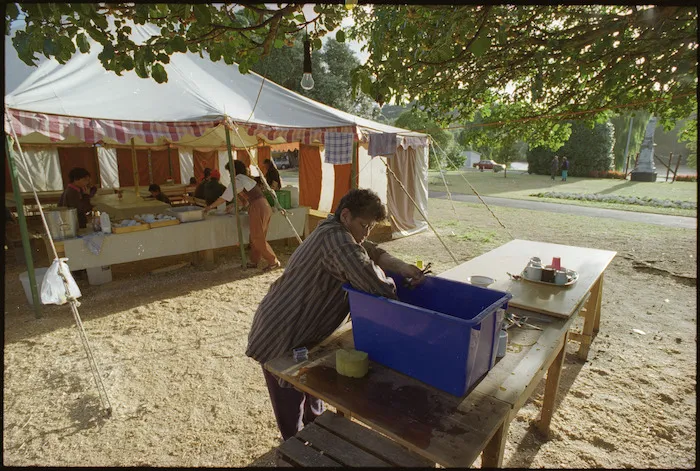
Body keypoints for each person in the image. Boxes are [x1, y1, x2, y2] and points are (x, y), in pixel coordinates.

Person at [245, 188, 425, 440]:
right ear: (346, 216)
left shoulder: (338, 228)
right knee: (290, 402)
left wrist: (400, 266)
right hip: (283, 329)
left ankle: (317, 435)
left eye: (371, 227)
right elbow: (376, 286)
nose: (367, 232)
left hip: (306, 331)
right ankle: (296, 450)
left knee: (313, 394)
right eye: (364, 225)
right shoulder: (337, 240)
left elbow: (369, 249)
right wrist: (398, 287)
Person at [204, 160, 281, 271]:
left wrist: (210, 207)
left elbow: (224, 197)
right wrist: (233, 206)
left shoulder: (238, 180)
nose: (229, 174)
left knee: (257, 237)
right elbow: (245, 201)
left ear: (234, 170)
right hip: (263, 205)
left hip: (258, 207)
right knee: (256, 237)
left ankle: (273, 261)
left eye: (230, 172)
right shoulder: (245, 179)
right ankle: (254, 261)